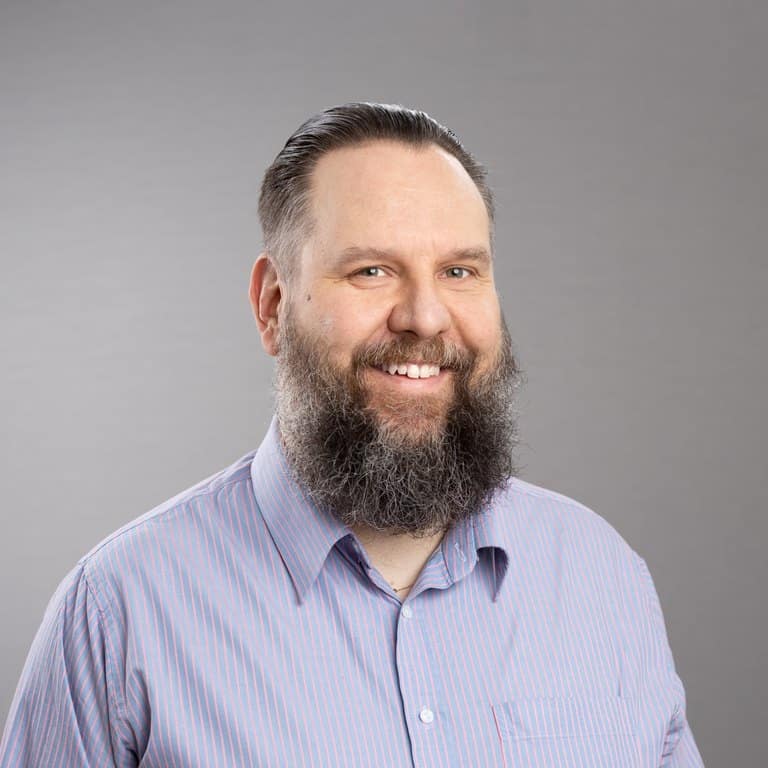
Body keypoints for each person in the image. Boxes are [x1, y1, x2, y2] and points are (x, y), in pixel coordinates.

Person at [0, 102, 704, 767]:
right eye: (372, 271)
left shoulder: (602, 578)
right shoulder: (119, 611)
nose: (425, 317)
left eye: (459, 271)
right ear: (273, 305)